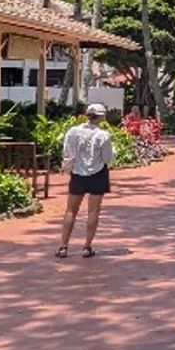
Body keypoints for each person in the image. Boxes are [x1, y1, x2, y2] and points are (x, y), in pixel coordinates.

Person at [56, 102, 115, 258]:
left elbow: (67, 152)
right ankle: (87, 246)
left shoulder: (73, 131)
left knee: (71, 210)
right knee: (93, 211)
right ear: (101, 116)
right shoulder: (103, 135)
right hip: (98, 174)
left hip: (77, 173)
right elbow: (107, 158)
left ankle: (63, 246)